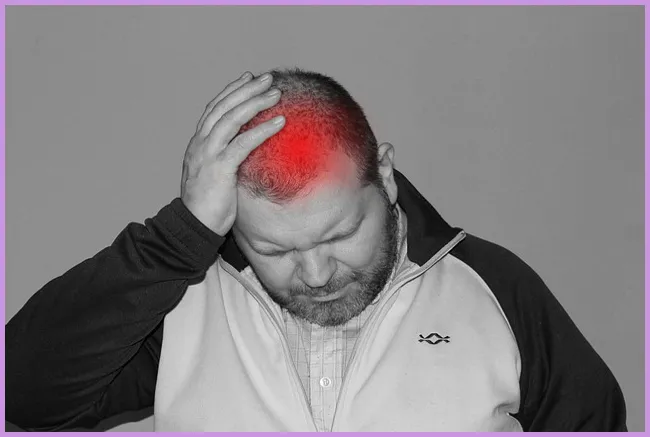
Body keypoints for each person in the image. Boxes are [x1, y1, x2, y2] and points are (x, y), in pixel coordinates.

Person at [6, 68, 627, 432]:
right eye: (273, 248)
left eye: (337, 235)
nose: (316, 274)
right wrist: (176, 239)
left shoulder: (493, 288)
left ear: (384, 176)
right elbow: (22, 397)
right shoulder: (180, 302)